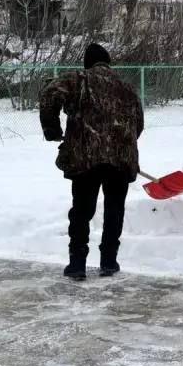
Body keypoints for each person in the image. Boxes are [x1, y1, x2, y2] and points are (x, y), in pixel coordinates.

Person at [39, 42, 144, 280]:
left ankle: (77, 263)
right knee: (114, 210)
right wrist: (121, 142)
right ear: (108, 63)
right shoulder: (127, 88)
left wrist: (52, 130)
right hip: (120, 159)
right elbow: (139, 124)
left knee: (82, 210)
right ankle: (109, 261)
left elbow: (49, 93)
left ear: (87, 64)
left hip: (86, 159)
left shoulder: (79, 79)